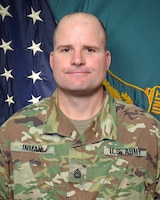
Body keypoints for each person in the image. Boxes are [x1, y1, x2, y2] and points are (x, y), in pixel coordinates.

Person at [0, 12, 160, 200]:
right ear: (52, 60)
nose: (77, 60)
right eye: (66, 49)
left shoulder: (149, 134)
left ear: (107, 60)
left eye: (89, 50)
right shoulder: (12, 133)